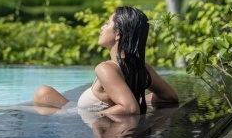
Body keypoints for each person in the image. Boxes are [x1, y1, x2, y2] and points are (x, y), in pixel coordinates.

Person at [32, 6, 179, 115]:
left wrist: (94, 115)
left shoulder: (106, 69)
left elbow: (130, 108)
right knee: (44, 92)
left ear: (118, 34)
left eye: (107, 23)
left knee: (27, 108)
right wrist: (137, 98)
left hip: (77, 115)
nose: (102, 27)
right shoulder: (142, 68)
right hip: (75, 109)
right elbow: (170, 97)